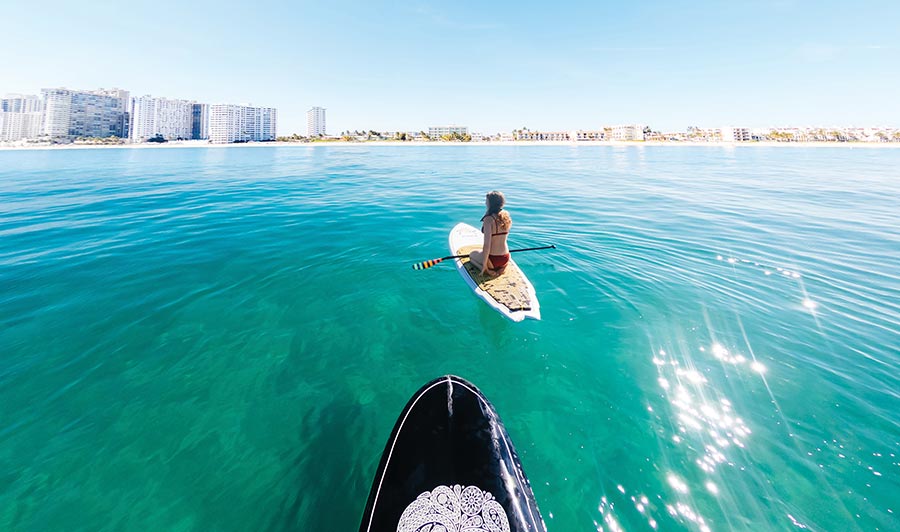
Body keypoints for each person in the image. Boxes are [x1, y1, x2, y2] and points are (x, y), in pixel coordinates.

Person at [468, 191, 512, 277]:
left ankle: (487, 270)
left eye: (486, 201)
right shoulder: (506, 216)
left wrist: (484, 265)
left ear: (490, 203)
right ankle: (502, 268)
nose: (485, 203)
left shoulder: (488, 219)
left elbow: (487, 245)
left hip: (493, 259)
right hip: (506, 257)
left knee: (472, 255)